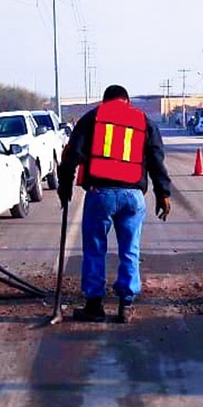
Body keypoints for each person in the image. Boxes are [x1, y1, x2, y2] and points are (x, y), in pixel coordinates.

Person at [57, 85, 172, 323]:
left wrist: (64, 185)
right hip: (133, 196)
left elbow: (72, 154)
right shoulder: (143, 120)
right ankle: (125, 305)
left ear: (105, 100)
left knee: (95, 247)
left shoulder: (93, 117)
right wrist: (163, 194)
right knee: (130, 249)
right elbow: (156, 158)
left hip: (101, 193)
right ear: (127, 101)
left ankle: (94, 305)